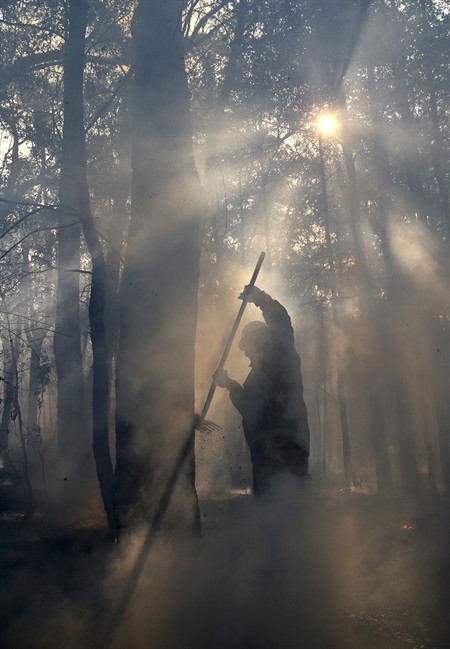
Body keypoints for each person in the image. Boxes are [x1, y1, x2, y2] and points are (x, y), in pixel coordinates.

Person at [214, 285, 310, 495]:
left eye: (249, 347)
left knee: (291, 504)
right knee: (268, 506)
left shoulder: (284, 356)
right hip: (263, 451)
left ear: (261, 342)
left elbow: (282, 321)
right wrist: (229, 384)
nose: (247, 354)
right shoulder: (255, 378)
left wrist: (260, 299)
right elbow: (249, 407)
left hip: (289, 444)